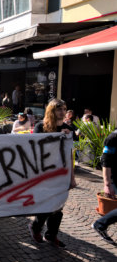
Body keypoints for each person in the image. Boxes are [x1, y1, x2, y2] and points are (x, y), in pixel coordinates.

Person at [28, 99, 76, 248]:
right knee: (46, 205)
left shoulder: (68, 129)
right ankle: (36, 228)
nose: (62, 112)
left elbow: (70, 155)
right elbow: (33, 148)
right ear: (51, 111)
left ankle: (51, 234)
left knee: (59, 206)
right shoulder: (40, 127)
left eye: (64, 109)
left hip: (60, 173)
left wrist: (71, 177)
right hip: (42, 173)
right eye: (58, 109)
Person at [91, 130, 117, 245]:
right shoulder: (113, 137)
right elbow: (105, 161)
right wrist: (107, 184)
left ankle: (101, 224)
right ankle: (100, 224)